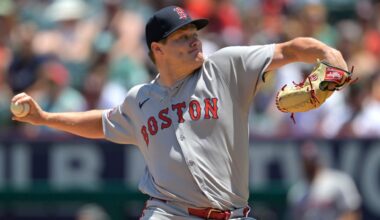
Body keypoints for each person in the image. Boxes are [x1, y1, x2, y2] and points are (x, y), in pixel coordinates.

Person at [11, 5, 349, 219]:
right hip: (169, 212)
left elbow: (289, 49)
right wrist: (44, 119)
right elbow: (100, 122)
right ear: (157, 49)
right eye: (182, 37)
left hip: (233, 214)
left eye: (194, 33)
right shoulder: (139, 99)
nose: (195, 40)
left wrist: (327, 52)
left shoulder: (226, 66)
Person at [287, 141, 361, 220]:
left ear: (318, 160)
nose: (309, 165)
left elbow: (353, 213)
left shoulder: (339, 181)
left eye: (312, 160)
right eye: (306, 161)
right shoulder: (296, 191)